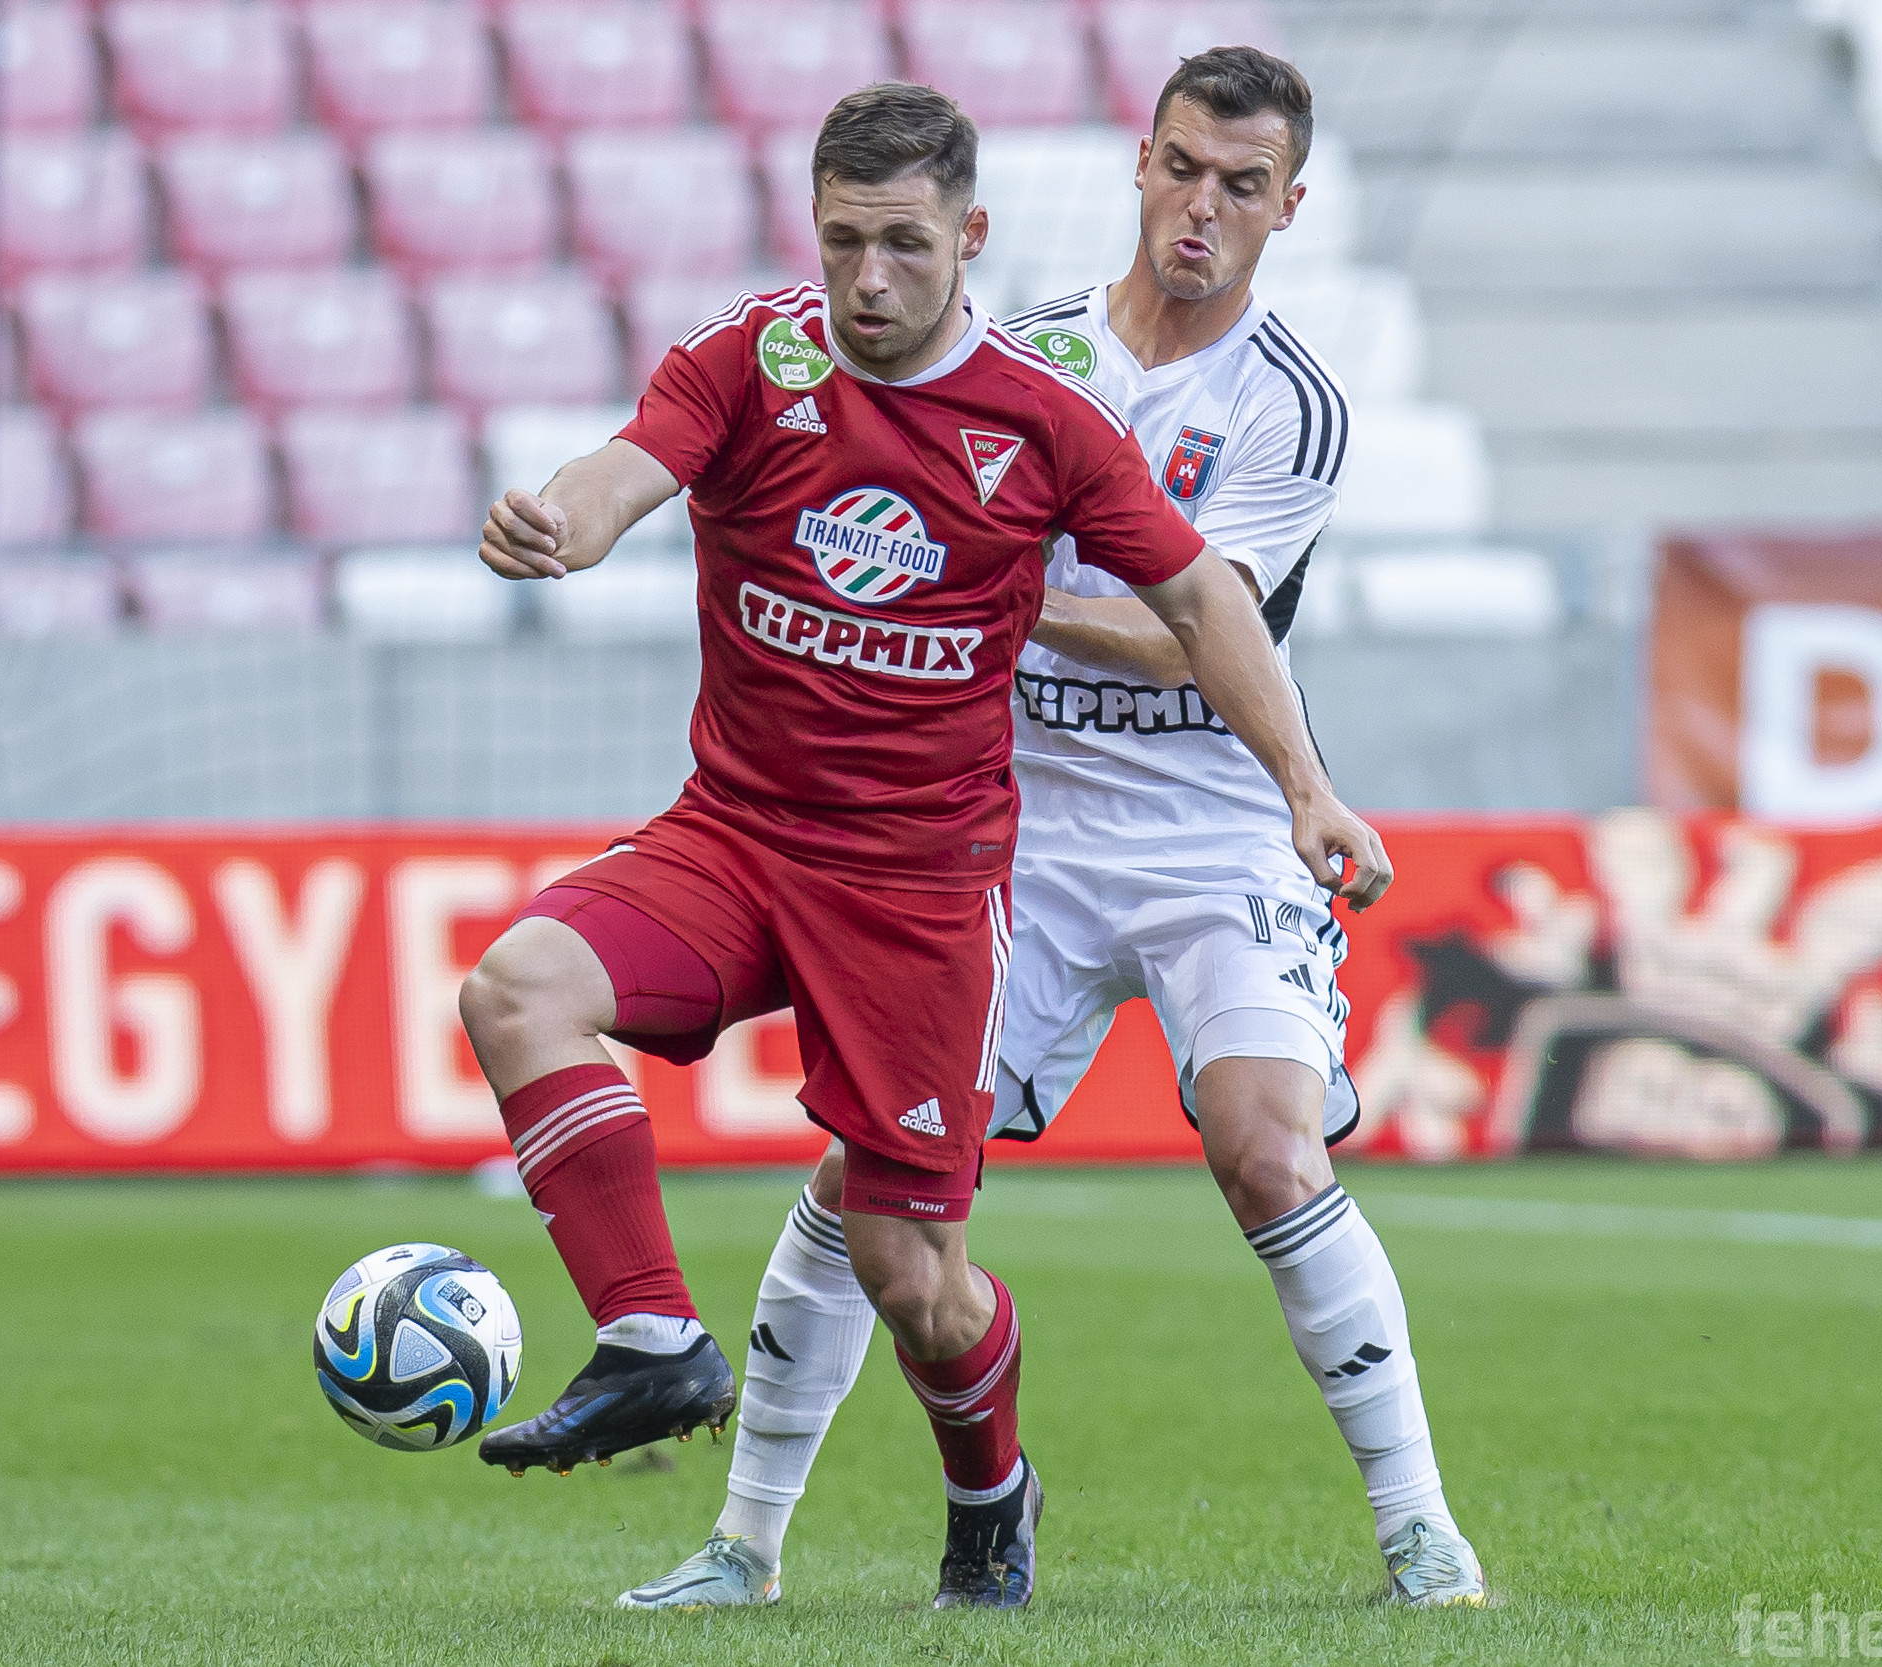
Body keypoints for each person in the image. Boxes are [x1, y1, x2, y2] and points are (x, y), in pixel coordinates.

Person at [462, 79, 1394, 1612]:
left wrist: (1307, 789)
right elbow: (623, 468)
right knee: (516, 989)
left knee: (912, 1277)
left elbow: (1202, 604)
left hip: (919, 892)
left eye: (903, 243)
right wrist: (560, 522)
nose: (869, 279)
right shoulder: (752, 358)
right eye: (844, 241)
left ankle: (991, 1495)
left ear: (970, 237)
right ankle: (650, 1338)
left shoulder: (1044, 419)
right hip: (738, 837)